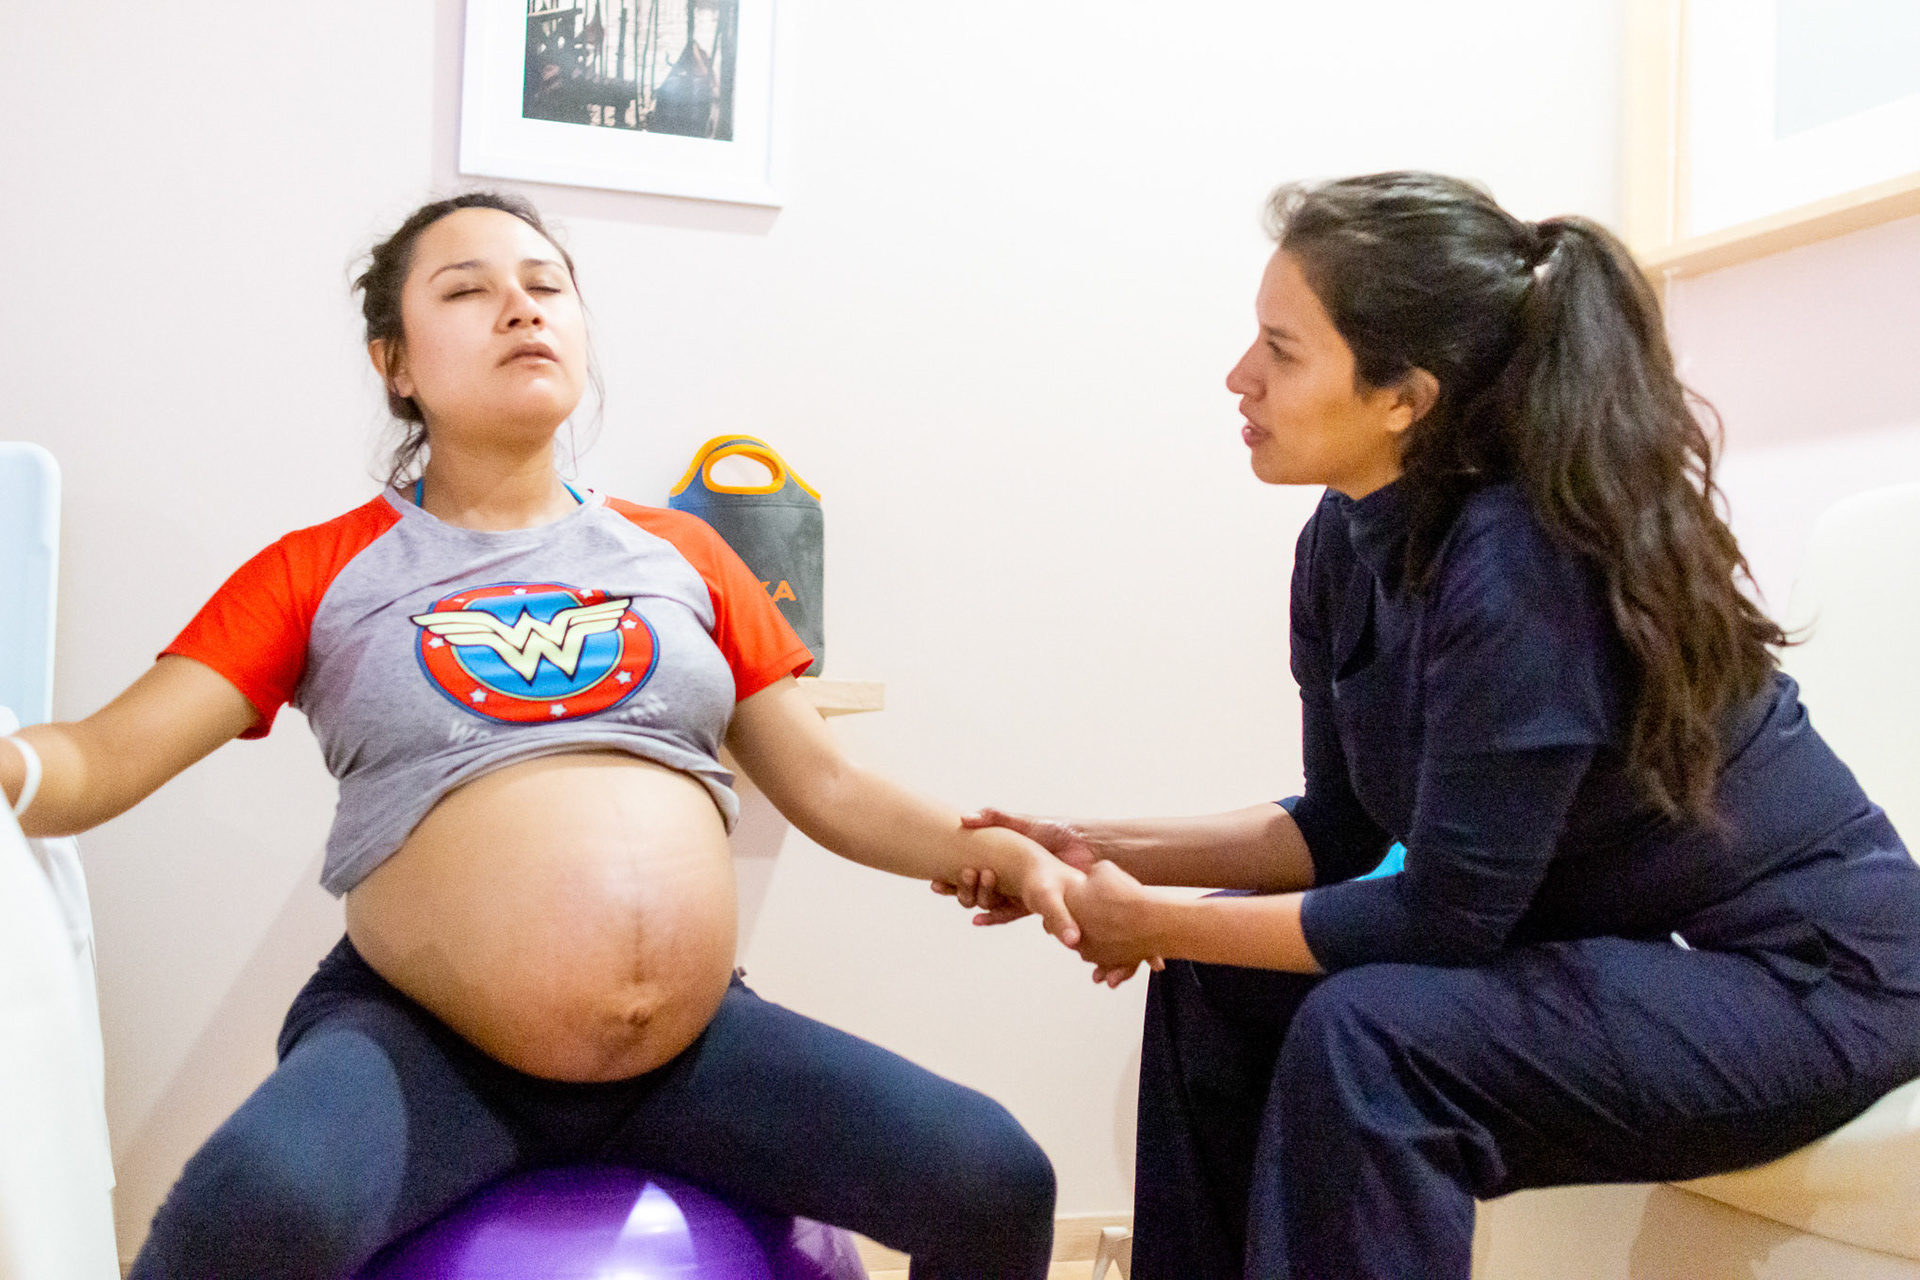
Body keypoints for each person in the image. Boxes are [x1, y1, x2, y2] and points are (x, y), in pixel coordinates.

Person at [0, 191, 1084, 1280]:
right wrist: (16, 763)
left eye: (545, 285)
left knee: (995, 1178)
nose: (520, 307)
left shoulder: (685, 552)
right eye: (466, 291)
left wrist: (994, 846)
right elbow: (96, 759)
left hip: (690, 1052)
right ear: (395, 363)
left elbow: (831, 784)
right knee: (251, 1210)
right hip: (423, 1050)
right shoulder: (320, 568)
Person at [948, 172, 1920, 1279]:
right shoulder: (1344, 539)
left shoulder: (1520, 559)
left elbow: (1446, 917)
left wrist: (1149, 919)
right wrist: (1091, 850)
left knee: (1374, 1036)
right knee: (1218, 979)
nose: (1239, 375)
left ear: (1404, 398)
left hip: (1810, 977)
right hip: (1642, 951)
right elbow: (1340, 829)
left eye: (1281, 351)